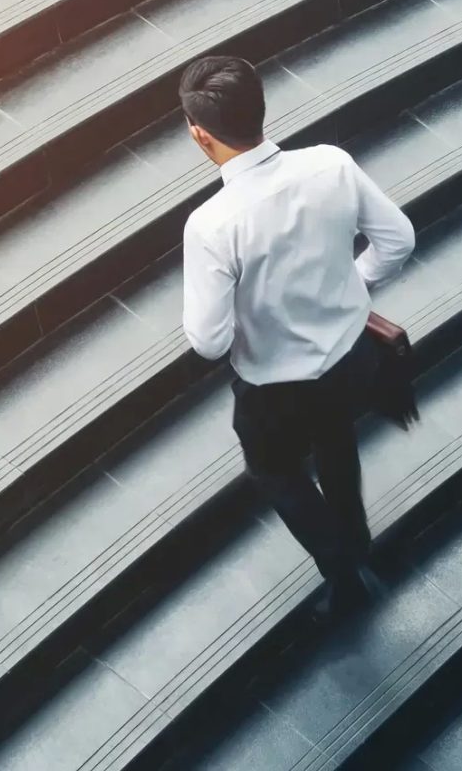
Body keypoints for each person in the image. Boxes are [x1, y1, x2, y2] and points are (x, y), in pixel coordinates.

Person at [177, 55, 416, 619]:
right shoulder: (329, 165)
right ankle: (358, 540)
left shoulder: (211, 225)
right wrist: (350, 284)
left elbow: (208, 341)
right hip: (349, 358)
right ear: (261, 106)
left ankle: (342, 568)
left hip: (275, 389)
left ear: (200, 136)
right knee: (336, 440)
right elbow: (398, 240)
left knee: (273, 469)